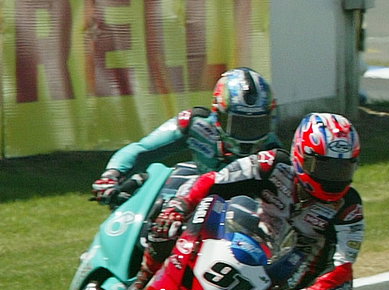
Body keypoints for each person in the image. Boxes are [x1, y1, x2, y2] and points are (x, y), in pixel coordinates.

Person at [120, 113, 364, 290]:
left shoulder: (348, 207)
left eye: (343, 169)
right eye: (323, 166)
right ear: (300, 155)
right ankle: (140, 283)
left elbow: (343, 268)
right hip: (239, 245)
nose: (332, 178)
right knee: (165, 225)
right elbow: (213, 180)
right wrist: (180, 206)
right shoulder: (272, 164)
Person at [91, 68, 280, 203]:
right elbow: (142, 149)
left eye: (256, 124)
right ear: (219, 114)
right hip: (194, 198)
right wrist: (111, 175)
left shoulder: (273, 151)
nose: (248, 132)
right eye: (240, 123)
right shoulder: (194, 123)